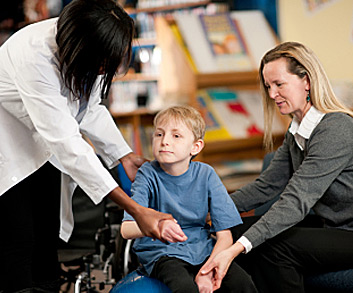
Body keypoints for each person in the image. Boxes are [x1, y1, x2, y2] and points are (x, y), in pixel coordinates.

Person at [0, 0, 179, 292]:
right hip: (5, 143)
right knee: (19, 239)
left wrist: (123, 155)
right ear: (81, 47)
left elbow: (90, 108)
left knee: (47, 237)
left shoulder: (90, 49)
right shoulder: (34, 55)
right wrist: (135, 209)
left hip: (42, 144)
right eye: (99, 62)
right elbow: (68, 143)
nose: (101, 69)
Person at [201, 41, 353, 292]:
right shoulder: (297, 133)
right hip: (335, 229)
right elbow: (265, 187)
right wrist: (208, 210)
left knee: (271, 245)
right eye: (268, 86)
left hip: (349, 232)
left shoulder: (335, 128)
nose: (272, 95)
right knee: (238, 228)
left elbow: (296, 200)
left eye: (279, 84)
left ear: (307, 80)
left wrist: (237, 248)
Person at [121, 105, 258, 293]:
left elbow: (225, 236)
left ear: (196, 146)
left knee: (243, 284)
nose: (165, 141)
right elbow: (126, 229)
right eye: (159, 134)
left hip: (202, 249)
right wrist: (158, 226)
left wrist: (207, 271)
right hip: (162, 253)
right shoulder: (147, 174)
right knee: (185, 288)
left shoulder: (206, 174)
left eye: (176, 136)